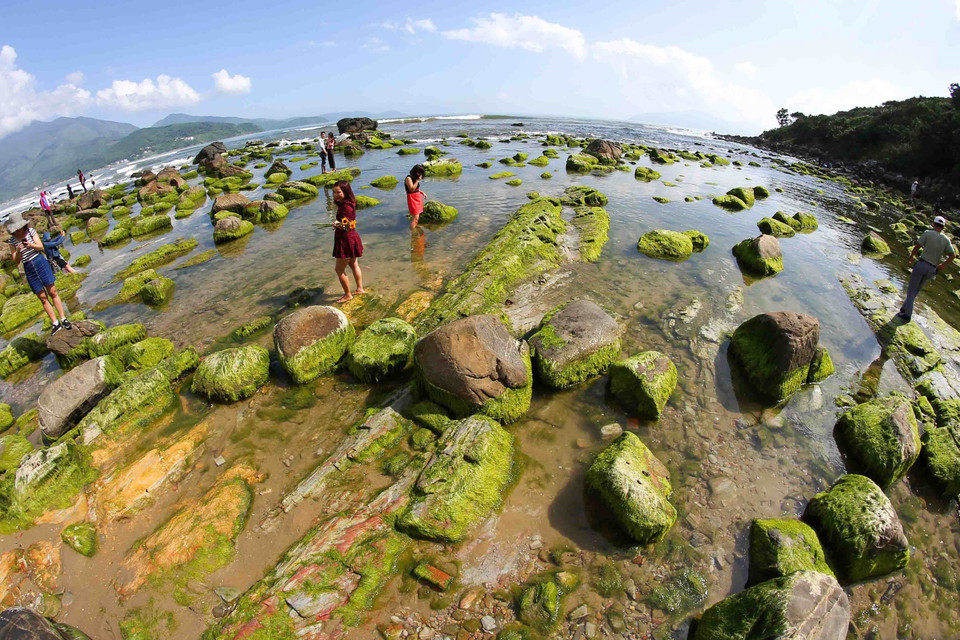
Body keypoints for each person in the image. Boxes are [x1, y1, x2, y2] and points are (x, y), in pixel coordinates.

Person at [4, 213, 71, 333]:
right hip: (28, 267)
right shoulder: (12, 241)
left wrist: (31, 245)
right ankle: (55, 323)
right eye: (16, 228)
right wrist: (19, 251)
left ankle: (64, 318)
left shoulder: (31, 232)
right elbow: (16, 260)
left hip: (40, 262)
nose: (18, 230)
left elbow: (41, 247)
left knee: (53, 292)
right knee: (43, 298)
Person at [897, 215, 956, 321]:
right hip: (932, 269)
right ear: (943, 227)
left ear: (933, 224)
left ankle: (907, 315)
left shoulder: (928, 233)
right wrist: (943, 265)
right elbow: (953, 255)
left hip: (921, 264)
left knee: (911, 290)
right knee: (916, 290)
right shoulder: (946, 240)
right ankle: (904, 308)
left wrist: (911, 257)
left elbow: (917, 246)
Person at [331, 180, 364, 303]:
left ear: (345, 191)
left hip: (346, 240)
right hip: (351, 238)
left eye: (338, 192)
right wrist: (339, 224)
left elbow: (348, 225)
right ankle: (360, 289)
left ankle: (348, 295)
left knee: (339, 270)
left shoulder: (346, 207)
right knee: (354, 264)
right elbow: (349, 224)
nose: (335, 194)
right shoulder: (348, 203)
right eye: (334, 192)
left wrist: (337, 224)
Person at [405, 164, 426, 230]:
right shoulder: (408, 178)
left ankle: (414, 231)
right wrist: (417, 180)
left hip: (417, 198)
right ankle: (411, 233)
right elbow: (411, 189)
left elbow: (416, 189)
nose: (420, 174)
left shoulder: (414, 178)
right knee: (415, 219)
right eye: (420, 173)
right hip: (412, 199)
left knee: (417, 218)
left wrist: (421, 192)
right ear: (416, 172)